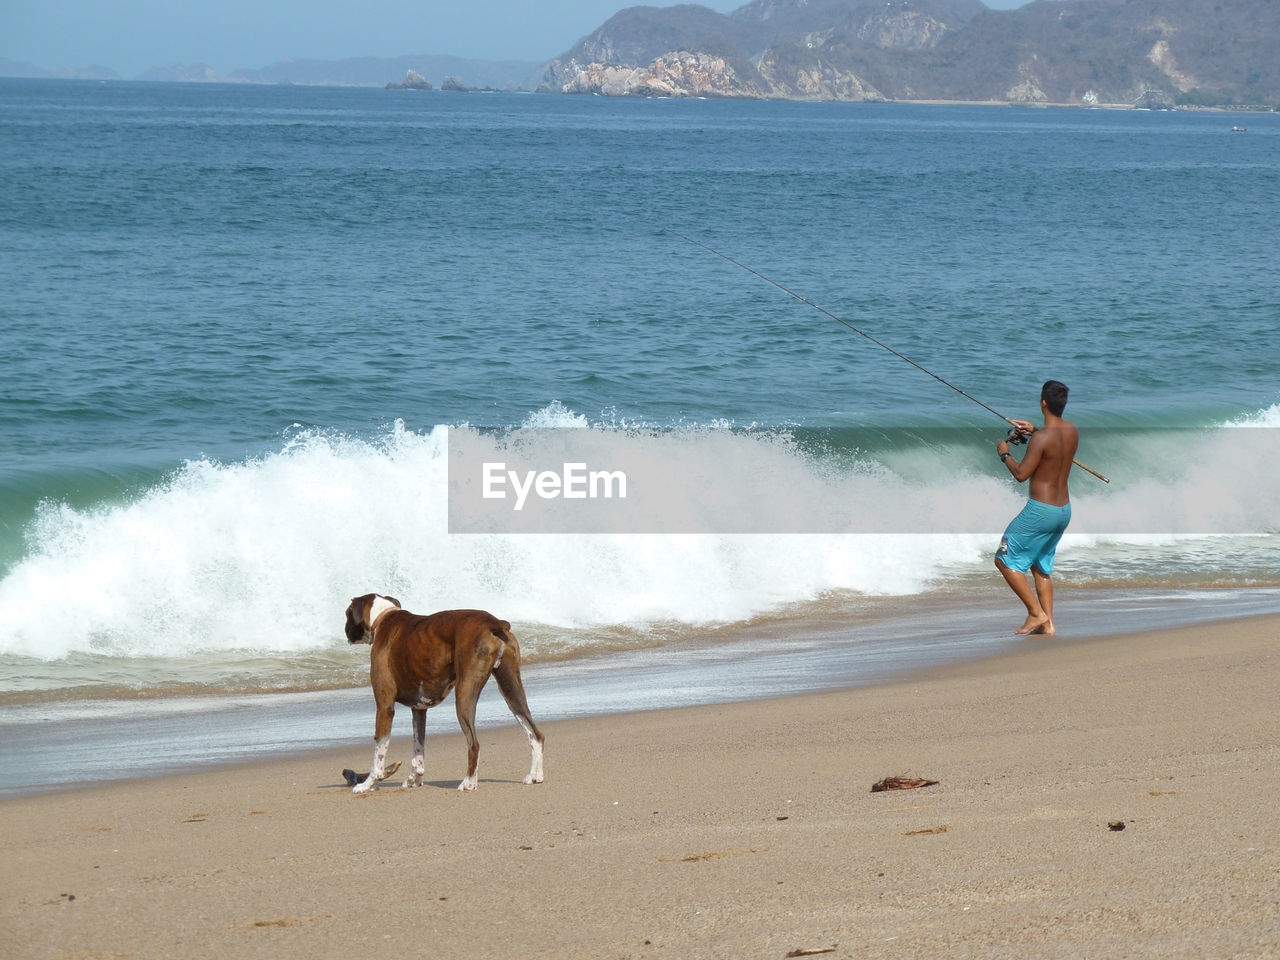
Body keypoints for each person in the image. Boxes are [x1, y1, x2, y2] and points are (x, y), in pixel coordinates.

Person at [994, 380, 1077, 636]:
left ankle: (1035, 613)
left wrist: (1005, 454)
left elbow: (1021, 474)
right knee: (1040, 566)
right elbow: (1052, 441)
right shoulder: (1072, 431)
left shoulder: (1041, 438)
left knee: (1003, 559)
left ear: (1043, 403)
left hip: (1041, 511)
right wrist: (1035, 430)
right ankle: (1048, 624)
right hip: (1063, 511)